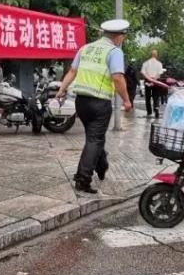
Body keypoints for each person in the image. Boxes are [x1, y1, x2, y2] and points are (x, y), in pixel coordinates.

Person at [55, 20, 133, 194]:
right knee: (94, 140)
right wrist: (126, 100)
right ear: (119, 36)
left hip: (81, 102)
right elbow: (118, 78)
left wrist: (62, 89)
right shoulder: (114, 51)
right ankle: (82, 179)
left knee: (95, 137)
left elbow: (72, 72)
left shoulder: (85, 48)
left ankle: (102, 165)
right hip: (99, 103)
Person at [141, 49, 165, 118]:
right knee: (156, 96)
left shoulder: (145, 63)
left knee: (147, 97)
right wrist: (154, 79)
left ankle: (149, 112)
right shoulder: (159, 63)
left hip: (147, 80)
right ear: (156, 55)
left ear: (151, 54)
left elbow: (143, 72)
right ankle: (156, 108)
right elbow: (159, 74)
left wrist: (149, 78)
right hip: (156, 81)